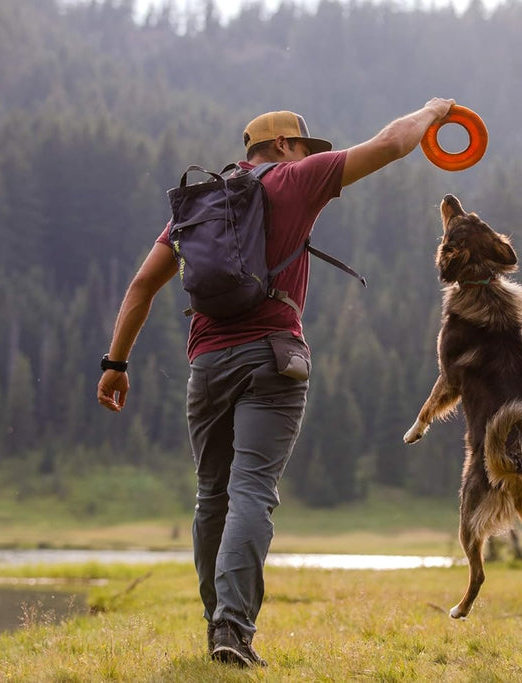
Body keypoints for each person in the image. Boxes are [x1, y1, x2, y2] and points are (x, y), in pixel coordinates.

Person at [96, 98, 456, 667]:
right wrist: (433, 111)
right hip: (273, 360)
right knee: (251, 492)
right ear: (286, 147)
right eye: (305, 147)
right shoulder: (297, 179)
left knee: (211, 495)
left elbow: (142, 285)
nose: (312, 156)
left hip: (208, 365)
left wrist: (114, 364)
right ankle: (232, 631)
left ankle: (216, 624)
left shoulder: (198, 205)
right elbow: (390, 144)